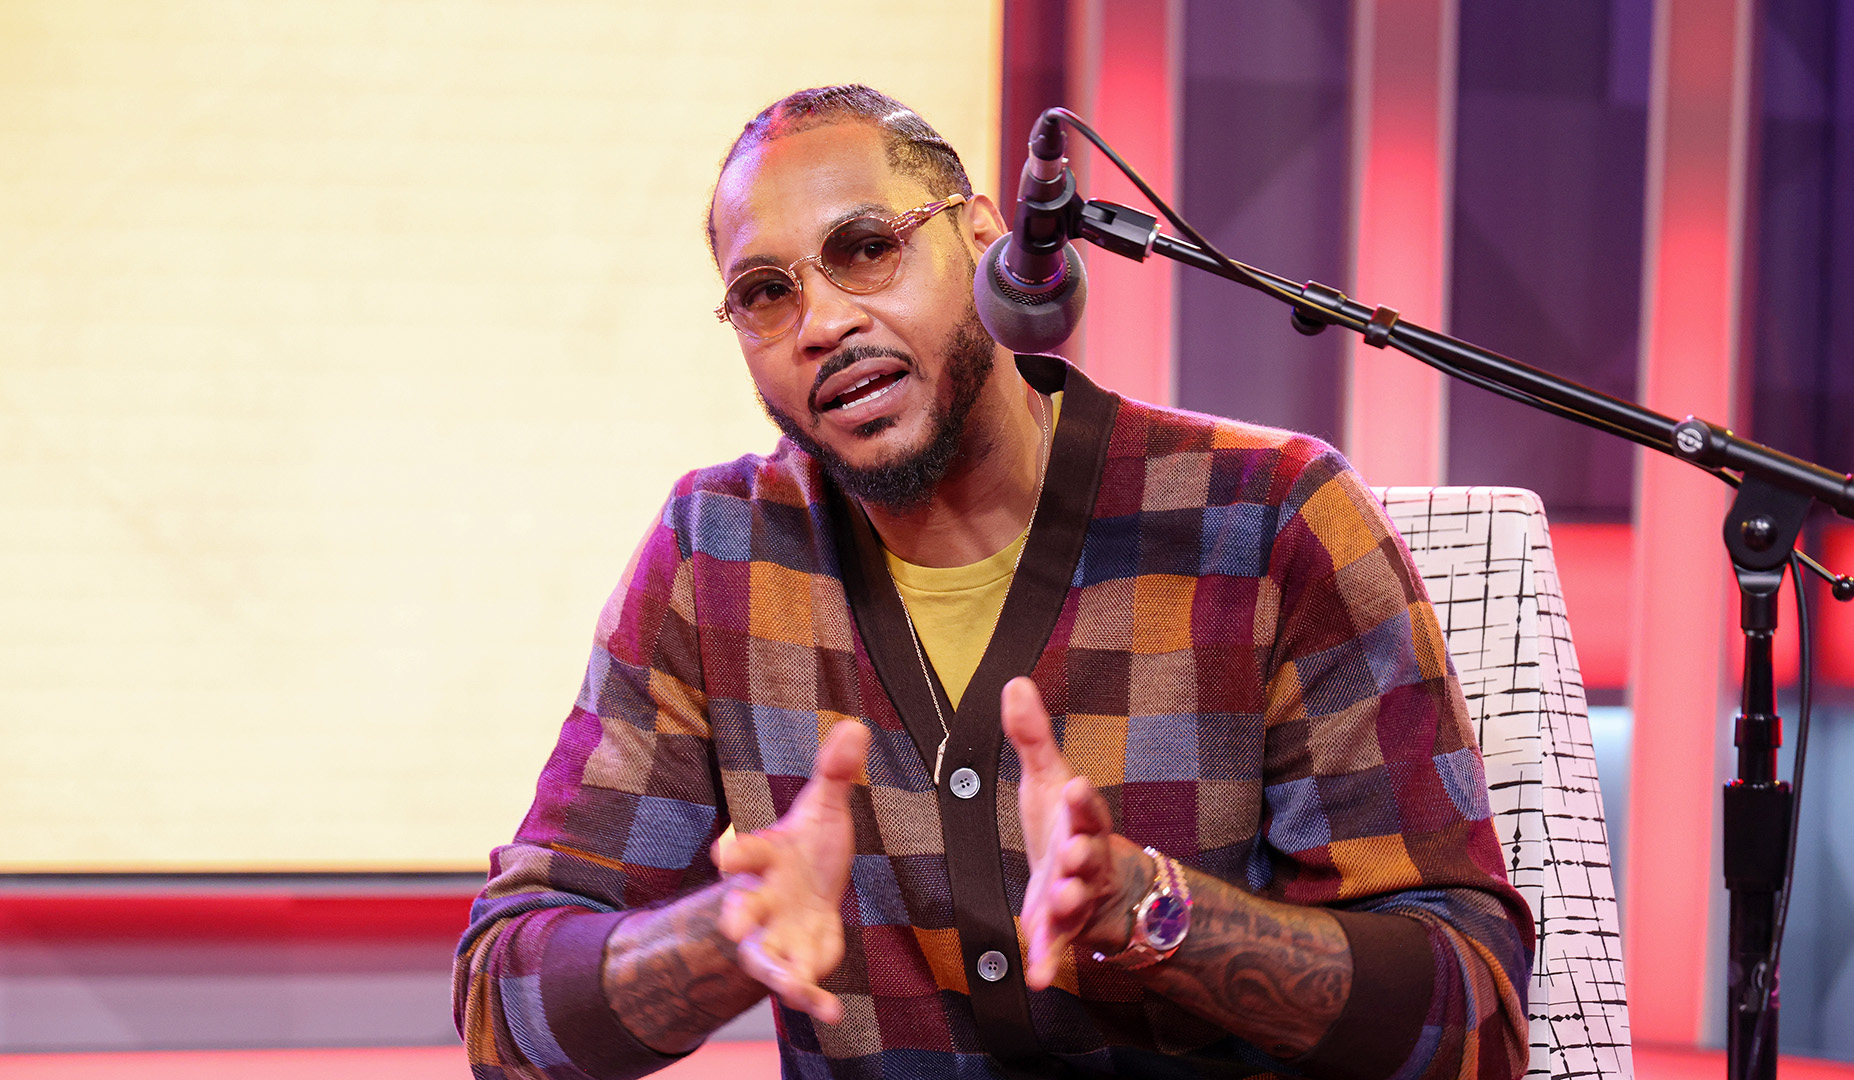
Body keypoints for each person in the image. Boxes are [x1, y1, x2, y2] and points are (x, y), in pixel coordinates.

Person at [455, 84, 1532, 1080]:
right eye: (765, 293)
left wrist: (1150, 911)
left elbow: (1471, 1013)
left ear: (984, 241)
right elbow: (505, 1002)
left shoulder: (1266, 518)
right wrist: (721, 932)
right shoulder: (719, 553)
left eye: (867, 249)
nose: (821, 322)